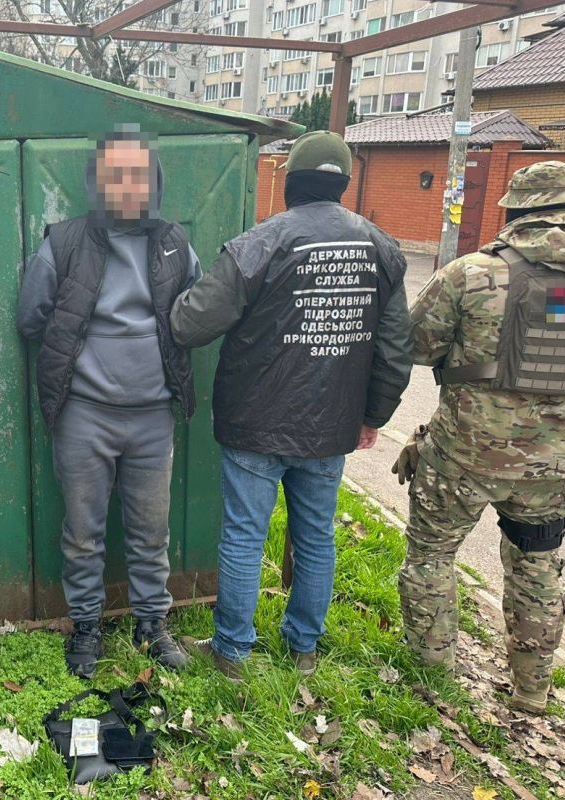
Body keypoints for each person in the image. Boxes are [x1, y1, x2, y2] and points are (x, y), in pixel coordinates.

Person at [170, 130, 412, 679]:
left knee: (243, 536)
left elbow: (189, 323)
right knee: (316, 537)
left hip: (255, 424)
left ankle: (232, 653)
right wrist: (372, 416)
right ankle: (303, 649)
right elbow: (397, 348)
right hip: (331, 427)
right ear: (343, 183)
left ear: (291, 183)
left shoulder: (260, 244)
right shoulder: (382, 248)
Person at [396, 161, 565, 713]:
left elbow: (415, 345)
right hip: (552, 465)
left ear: (515, 208)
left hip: (463, 456)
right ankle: (532, 691)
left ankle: (434, 682)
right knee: (537, 568)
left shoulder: (472, 274)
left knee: (431, 558)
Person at [17, 126, 200, 679]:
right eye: (114, 174)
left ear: (153, 181)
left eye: (137, 174)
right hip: (84, 416)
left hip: (153, 418)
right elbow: (30, 317)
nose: (126, 185)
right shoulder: (65, 243)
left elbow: (196, 311)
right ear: (97, 181)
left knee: (150, 532)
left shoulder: (173, 243)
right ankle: (86, 627)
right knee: (82, 533)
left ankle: (151, 624)